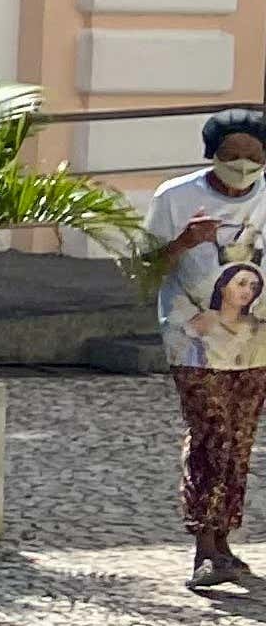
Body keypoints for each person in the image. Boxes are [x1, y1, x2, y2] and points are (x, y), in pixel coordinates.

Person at [156, 108, 266, 588]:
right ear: (211, 156)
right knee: (210, 435)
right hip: (194, 341)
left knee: (240, 441)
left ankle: (224, 543)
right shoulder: (176, 197)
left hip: (257, 341)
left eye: (253, 156)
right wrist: (182, 242)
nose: (242, 165)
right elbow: (140, 267)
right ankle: (204, 547)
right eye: (230, 155)